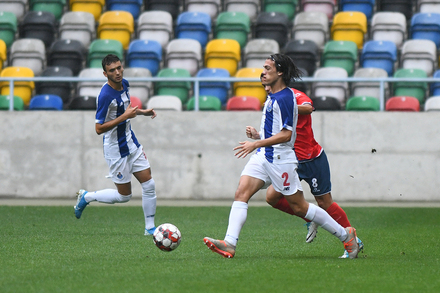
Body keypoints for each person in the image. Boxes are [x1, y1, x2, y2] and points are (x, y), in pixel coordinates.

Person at [203, 54, 360, 259]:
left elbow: (287, 135)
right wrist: (259, 138)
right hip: (263, 156)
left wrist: (256, 143)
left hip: (281, 159)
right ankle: (230, 243)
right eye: (263, 67)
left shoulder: (286, 98)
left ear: (280, 73)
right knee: (242, 193)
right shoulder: (272, 97)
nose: (263, 72)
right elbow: (276, 130)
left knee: (300, 206)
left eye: (268, 68)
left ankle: (346, 236)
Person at [259, 76, 364, 258]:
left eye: (268, 85)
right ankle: (311, 218)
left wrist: (287, 107)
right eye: (264, 87)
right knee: (272, 197)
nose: (266, 89)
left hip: (311, 158)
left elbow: (308, 108)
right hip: (289, 160)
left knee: (325, 202)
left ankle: (354, 238)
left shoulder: (294, 96)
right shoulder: (271, 103)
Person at [74, 54, 158, 236]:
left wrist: (143, 112)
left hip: (131, 142)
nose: (118, 72)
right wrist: (124, 118)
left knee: (149, 184)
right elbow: (98, 128)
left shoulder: (125, 84)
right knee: (124, 196)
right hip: (115, 149)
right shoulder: (105, 96)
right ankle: (87, 197)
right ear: (105, 74)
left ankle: (149, 228)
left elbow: (125, 110)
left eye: (119, 68)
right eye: (112, 70)